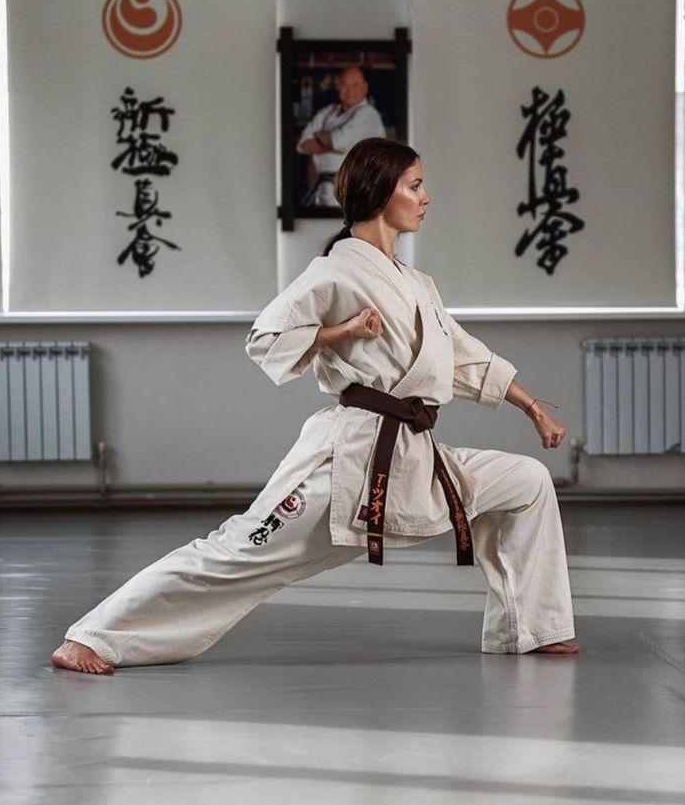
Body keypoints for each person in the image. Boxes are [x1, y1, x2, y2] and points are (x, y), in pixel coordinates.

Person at [51, 137, 577, 674]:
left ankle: (531, 629)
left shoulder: (418, 284)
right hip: (349, 463)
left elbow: (465, 357)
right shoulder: (335, 271)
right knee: (237, 552)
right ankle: (93, 637)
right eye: (415, 186)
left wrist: (531, 405)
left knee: (527, 482)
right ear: (379, 194)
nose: (426, 197)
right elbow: (265, 337)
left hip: (415, 459)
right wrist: (339, 331)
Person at [297, 66, 385, 207]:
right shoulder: (328, 111)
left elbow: (337, 141)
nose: (349, 91)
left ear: (365, 88)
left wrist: (321, 137)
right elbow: (302, 145)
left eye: (355, 85)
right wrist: (329, 142)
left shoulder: (368, 115)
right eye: (344, 85)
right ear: (338, 87)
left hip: (352, 192)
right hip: (319, 189)